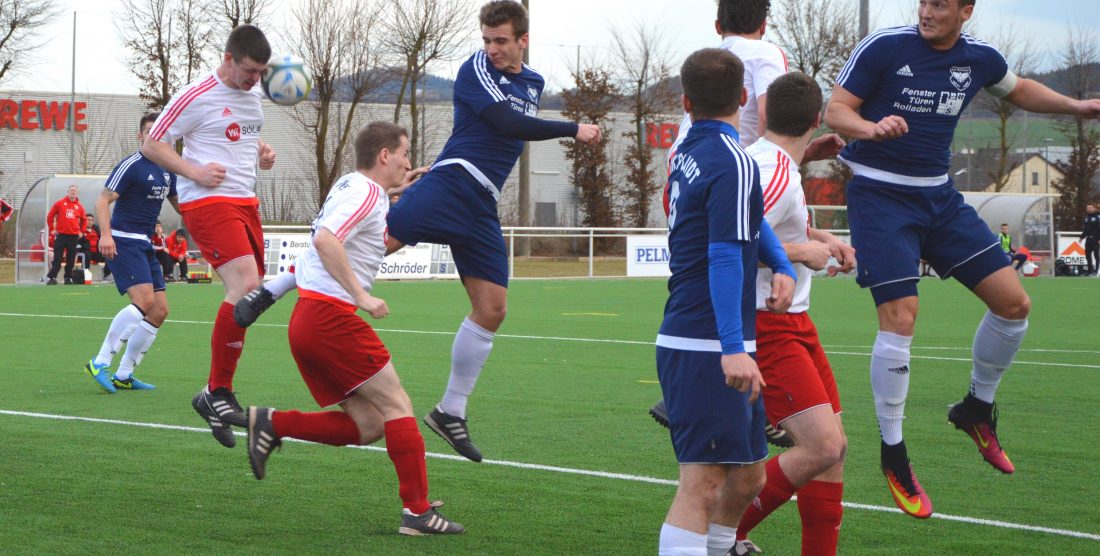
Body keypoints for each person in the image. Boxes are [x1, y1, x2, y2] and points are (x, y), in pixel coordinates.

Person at [233, 0, 601, 462]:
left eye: (501, 41)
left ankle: (451, 410)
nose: (491, 49)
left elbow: (516, 125)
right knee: (373, 246)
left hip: (481, 201)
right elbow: (505, 123)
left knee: (493, 308)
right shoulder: (475, 70)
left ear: (523, 40)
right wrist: (573, 128)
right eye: (486, 39)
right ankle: (276, 287)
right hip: (453, 181)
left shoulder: (532, 82)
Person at [823, 0, 1100, 518]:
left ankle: (975, 408)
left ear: (966, 10)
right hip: (880, 197)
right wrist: (870, 128)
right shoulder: (885, 47)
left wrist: (1078, 107)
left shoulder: (980, 59)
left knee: (1014, 304)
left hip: (939, 199)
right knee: (902, 315)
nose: (928, 12)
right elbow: (836, 110)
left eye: (941, 5)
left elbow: (1018, 90)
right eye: (924, 2)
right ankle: (893, 452)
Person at [245, 121, 464, 536]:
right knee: (398, 405)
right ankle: (417, 512)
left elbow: (355, 226)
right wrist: (361, 297)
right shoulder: (365, 194)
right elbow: (327, 240)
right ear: (385, 155)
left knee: (370, 426)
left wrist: (398, 190)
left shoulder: (353, 186)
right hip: (331, 317)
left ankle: (274, 423)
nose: (408, 161)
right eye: (404, 154)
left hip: (310, 319)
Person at [656, 47, 795, 556]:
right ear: (743, 97)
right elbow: (722, 257)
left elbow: (748, 219)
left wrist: (779, 261)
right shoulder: (732, 159)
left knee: (751, 474)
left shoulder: (688, 149)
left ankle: (721, 548)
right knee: (703, 485)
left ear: (686, 101)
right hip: (706, 341)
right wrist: (732, 347)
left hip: (702, 335)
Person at [716, 73, 853, 556]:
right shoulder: (772, 169)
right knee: (821, 447)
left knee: (834, 448)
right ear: (816, 121)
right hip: (768, 323)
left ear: (768, 113)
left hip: (796, 321)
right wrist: (801, 252)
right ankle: (720, 534)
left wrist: (823, 240)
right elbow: (731, 241)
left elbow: (768, 224)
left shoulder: (770, 161)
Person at [142, 24, 277, 448]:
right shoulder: (196, 95)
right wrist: (194, 171)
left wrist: (263, 151)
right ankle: (218, 391)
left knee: (250, 297)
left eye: (261, 72)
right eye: (250, 71)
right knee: (246, 285)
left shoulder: (253, 94)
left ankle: (212, 394)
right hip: (207, 201)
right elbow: (152, 143)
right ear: (228, 59)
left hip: (246, 203)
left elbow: (242, 135)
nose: (255, 79)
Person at [83, 112, 179, 393]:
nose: (154, 136)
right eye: (149, 131)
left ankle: (124, 374)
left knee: (159, 310)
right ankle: (99, 362)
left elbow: (182, 206)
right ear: (140, 136)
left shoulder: (167, 170)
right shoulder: (132, 165)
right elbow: (103, 200)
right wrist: (106, 235)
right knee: (144, 301)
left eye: (159, 132)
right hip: (123, 240)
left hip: (145, 243)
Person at [45, 185, 87, 285]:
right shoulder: (60, 203)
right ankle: (52, 277)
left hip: (73, 236)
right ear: (68, 192)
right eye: (71, 190)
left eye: (75, 191)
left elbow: (84, 220)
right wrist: (52, 229)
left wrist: (82, 231)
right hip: (61, 236)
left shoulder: (79, 206)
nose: (73, 192)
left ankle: (68, 277)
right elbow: (50, 216)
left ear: (77, 193)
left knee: (71, 259)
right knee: (57, 258)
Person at [77, 214, 111, 281]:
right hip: (84, 251)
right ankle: (85, 276)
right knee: (87, 255)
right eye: (88, 220)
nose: (90, 221)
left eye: (91, 220)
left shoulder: (96, 229)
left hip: (96, 252)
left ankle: (106, 275)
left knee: (108, 256)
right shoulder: (80, 230)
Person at [1081, 204, 1099, 275]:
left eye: (1091, 208)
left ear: (1094, 209)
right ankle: (1089, 271)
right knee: (1088, 255)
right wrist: (1082, 237)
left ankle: (1096, 271)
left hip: (1096, 239)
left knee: (1096, 256)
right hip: (1088, 239)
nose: (1089, 209)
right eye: (1088, 208)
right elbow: (1086, 229)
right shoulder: (1086, 218)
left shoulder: (1098, 217)